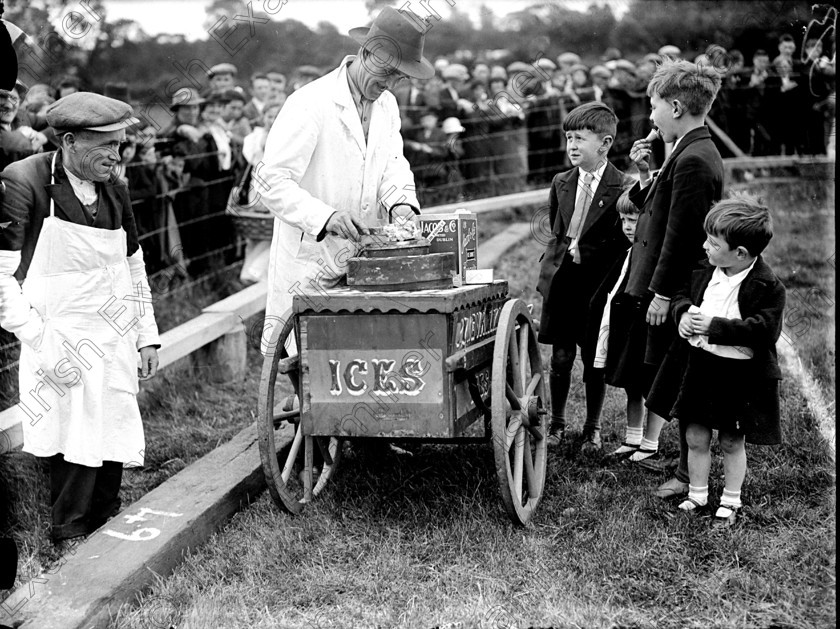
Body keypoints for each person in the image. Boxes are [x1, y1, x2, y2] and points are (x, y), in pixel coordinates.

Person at [0, 92, 161, 542]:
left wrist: (146, 335)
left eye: (119, 145)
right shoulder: (25, 181)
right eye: (105, 145)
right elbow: (1, 277)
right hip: (55, 330)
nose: (116, 155)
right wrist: (37, 336)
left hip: (111, 329)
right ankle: (69, 535)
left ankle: (107, 522)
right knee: (69, 430)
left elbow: (132, 263)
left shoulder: (116, 187)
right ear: (68, 141)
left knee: (112, 422)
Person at [259, 6, 432, 354]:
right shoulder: (310, 103)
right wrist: (326, 217)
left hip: (364, 256)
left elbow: (392, 164)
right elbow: (271, 181)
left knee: (359, 353)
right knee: (308, 357)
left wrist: (400, 203)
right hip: (312, 255)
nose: (389, 84)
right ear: (366, 54)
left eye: (400, 77)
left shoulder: (386, 106)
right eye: (386, 72)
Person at [622, 59, 724, 496]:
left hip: (681, 289)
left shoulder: (695, 158)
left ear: (677, 106)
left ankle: (687, 473)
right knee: (670, 374)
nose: (650, 117)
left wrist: (662, 293)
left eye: (655, 106)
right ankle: (683, 463)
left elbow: (681, 236)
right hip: (672, 287)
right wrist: (647, 175)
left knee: (681, 376)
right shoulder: (684, 147)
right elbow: (661, 208)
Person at [663, 195, 785, 526]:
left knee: (731, 439)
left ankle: (731, 500)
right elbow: (681, 296)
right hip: (702, 368)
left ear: (741, 253)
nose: (704, 247)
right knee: (695, 435)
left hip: (740, 374)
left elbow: (765, 330)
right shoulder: (706, 271)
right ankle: (697, 493)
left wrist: (715, 328)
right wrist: (684, 313)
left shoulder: (768, 285)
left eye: (713, 243)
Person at [535, 101, 628, 453]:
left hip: (596, 286)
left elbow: (623, 242)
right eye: (568, 138)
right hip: (563, 282)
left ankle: (592, 427)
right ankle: (557, 423)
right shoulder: (561, 182)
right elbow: (558, 231)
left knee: (593, 358)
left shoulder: (621, 186)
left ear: (604, 144)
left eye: (581, 139)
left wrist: (588, 254)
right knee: (560, 357)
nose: (572, 146)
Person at [586, 186, 648, 458]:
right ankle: (633, 437)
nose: (626, 227)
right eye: (623, 220)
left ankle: (650, 443)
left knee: (648, 383)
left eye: (632, 221)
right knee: (633, 384)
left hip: (646, 327)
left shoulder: (649, 255)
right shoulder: (628, 251)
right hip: (628, 328)